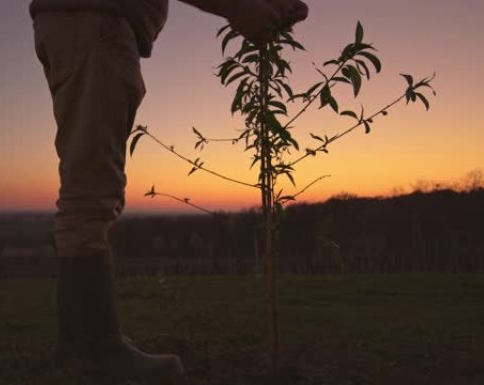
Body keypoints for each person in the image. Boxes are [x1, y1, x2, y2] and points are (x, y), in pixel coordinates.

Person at [30, 0, 308, 382]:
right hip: (96, 22)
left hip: (86, 21)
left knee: (85, 185)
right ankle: (97, 351)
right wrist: (239, 8)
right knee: (92, 193)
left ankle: (78, 341)